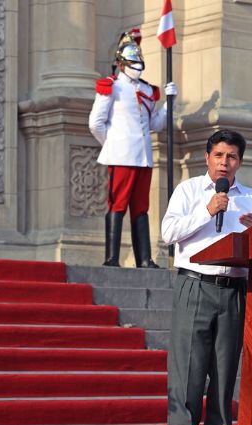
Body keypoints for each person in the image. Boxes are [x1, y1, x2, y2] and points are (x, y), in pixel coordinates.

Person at [161, 129, 252, 425]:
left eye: (231, 157)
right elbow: (167, 233)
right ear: (207, 158)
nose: (224, 163)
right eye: (219, 156)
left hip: (235, 290)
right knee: (189, 368)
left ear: (239, 162)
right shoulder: (188, 191)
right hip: (196, 285)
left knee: (224, 370)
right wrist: (208, 209)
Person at [88, 29, 177, 268]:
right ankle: (112, 258)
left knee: (141, 208)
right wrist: (114, 144)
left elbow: (155, 124)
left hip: (143, 157)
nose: (138, 66)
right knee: (117, 205)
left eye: (140, 61)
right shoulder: (111, 87)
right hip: (121, 156)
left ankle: (144, 259)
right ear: (121, 63)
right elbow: (95, 123)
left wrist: (169, 105)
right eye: (133, 61)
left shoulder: (147, 90)